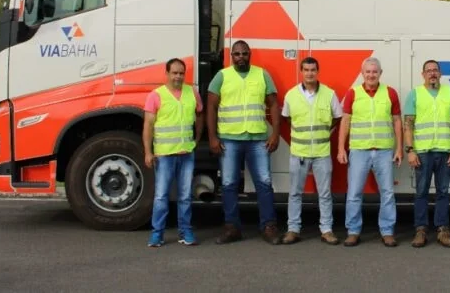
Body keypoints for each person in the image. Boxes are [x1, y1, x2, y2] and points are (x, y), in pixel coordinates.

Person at [206, 40, 282, 245]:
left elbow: (274, 104)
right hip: (229, 140)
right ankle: (232, 228)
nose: (241, 57)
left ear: (250, 55)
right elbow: (211, 107)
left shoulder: (262, 74)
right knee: (229, 184)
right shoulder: (221, 76)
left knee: (264, 184)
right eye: (237, 54)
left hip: (258, 139)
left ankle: (268, 226)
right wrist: (212, 137)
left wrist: (275, 134)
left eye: (244, 53)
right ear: (232, 56)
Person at [337, 56, 403, 247]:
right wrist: (341, 148)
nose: (371, 75)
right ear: (362, 74)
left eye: (375, 71)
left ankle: (387, 231)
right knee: (354, 193)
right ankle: (353, 231)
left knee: (388, 193)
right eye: (368, 72)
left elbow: (397, 121)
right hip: (359, 151)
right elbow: (345, 122)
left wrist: (399, 148)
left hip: (383, 151)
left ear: (380, 73)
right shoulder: (353, 93)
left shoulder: (390, 93)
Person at [280, 56, 344, 245]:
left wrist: (326, 132)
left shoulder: (329, 94)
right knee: (295, 193)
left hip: (322, 152)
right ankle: (293, 229)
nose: (309, 73)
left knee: (324, 194)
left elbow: (337, 117)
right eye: (306, 70)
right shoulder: (291, 95)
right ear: (302, 72)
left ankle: (326, 230)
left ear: (318, 71)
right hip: (299, 152)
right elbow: (287, 118)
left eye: (313, 70)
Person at [143, 57, 204, 247]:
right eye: (174, 73)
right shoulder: (156, 95)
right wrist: (148, 152)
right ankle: (157, 234)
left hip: (186, 153)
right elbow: (148, 125)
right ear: (167, 73)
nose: (178, 76)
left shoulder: (192, 92)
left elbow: (200, 114)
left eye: (181, 73)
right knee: (161, 196)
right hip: (164, 155)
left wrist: (197, 139)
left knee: (185, 196)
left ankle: (185, 232)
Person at [404, 59, 450, 248]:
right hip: (422, 152)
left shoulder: (449, 92)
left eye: (435, 70)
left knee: (443, 192)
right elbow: (408, 124)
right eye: (428, 71)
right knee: (421, 192)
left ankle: (443, 230)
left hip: (445, 152)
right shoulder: (415, 94)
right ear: (423, 75)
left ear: (440, 73)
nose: (432, 73)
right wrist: (410, 150)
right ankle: (420, 230)